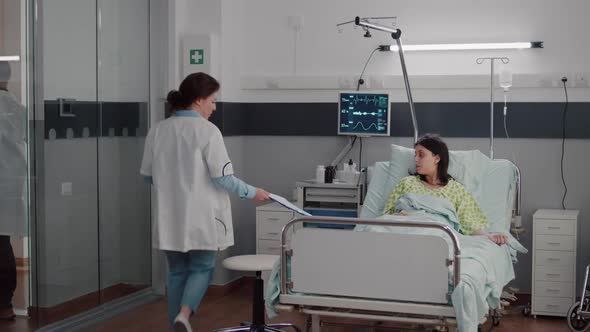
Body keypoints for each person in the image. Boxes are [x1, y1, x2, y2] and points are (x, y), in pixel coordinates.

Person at [140, 72, 270, 332]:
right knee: (202, 267)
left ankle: (176, 324)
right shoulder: (208, 132)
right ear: (198, 100)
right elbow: (224, 179)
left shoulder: (158, 130)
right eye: (212, 100)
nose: (215, 106)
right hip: (202, 216)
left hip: (170, 216)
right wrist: (252, 192)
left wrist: (174, 188)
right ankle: (185, 315)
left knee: (176, 272)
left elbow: (148, 178)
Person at [383, 133, 507, 245]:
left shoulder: (456, 190)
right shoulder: (406, 183)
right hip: (401, 232)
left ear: (437, 158)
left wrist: (489, 236)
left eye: (421, 155)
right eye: (415, 155)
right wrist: (398, 216)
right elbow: (386, 217)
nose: (416, 159)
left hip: (435, 235)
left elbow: (470, 224)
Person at [0, 61, 26, 321]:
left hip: (3, 180)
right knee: (3, 240)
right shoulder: (17, 106)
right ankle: (5, 302)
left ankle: (4, 303)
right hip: (10, 181)